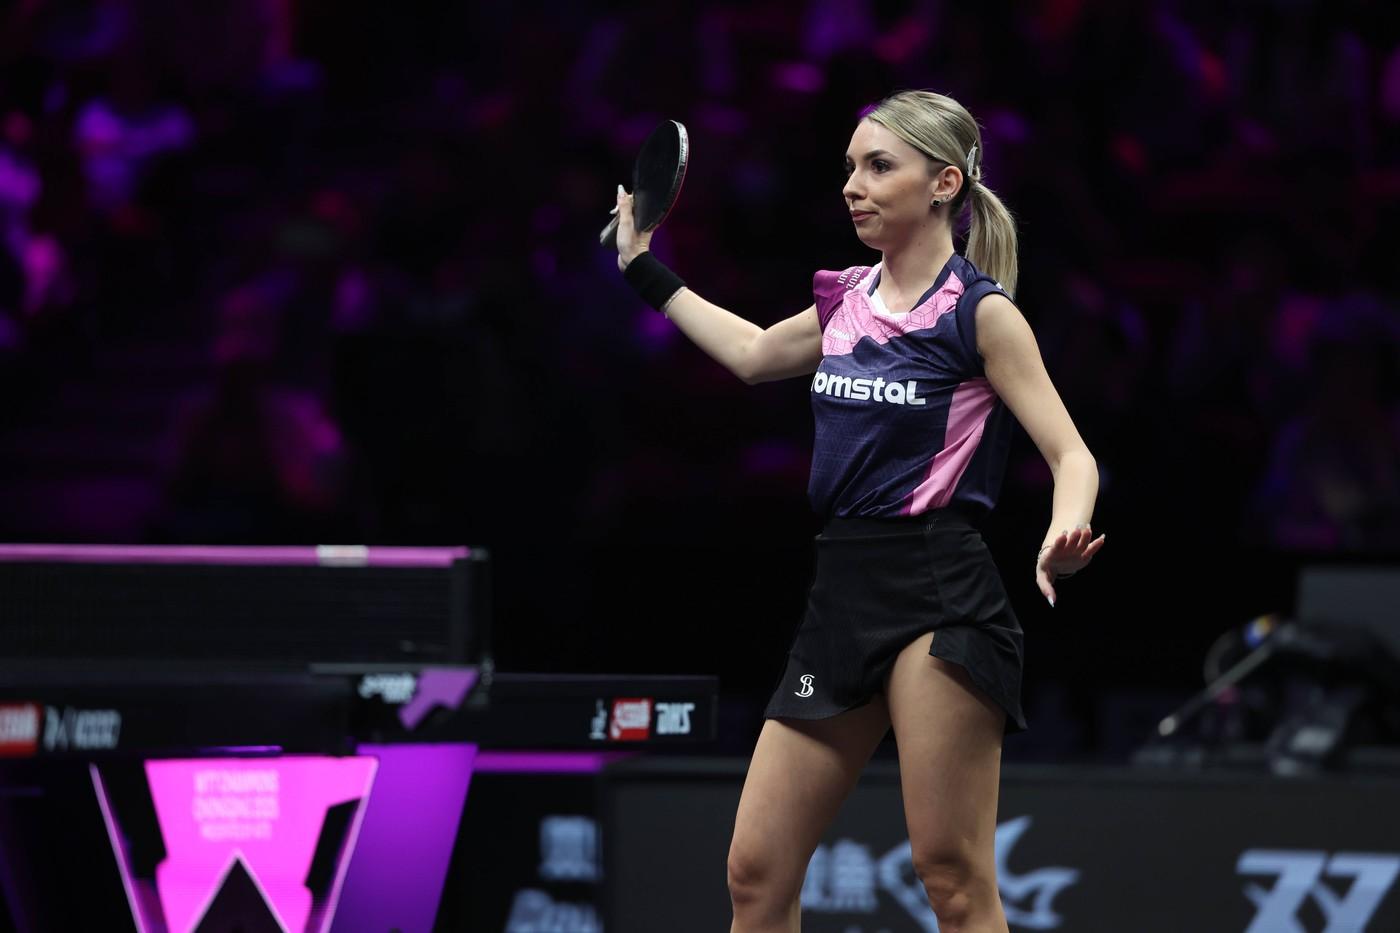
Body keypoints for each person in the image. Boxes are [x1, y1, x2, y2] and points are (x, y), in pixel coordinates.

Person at [612, 89, 1105, 933]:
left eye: (878, 166)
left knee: (951, 878)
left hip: (938, 594)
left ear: (944, 183)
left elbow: (1072, 454)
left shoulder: (980, 314)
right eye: (849, 167)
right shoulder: (846, 299)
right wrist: (639, 265)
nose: (853, 185)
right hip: (841, 594)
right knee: (756, 871)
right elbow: (753, 352)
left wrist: (1065, 529)